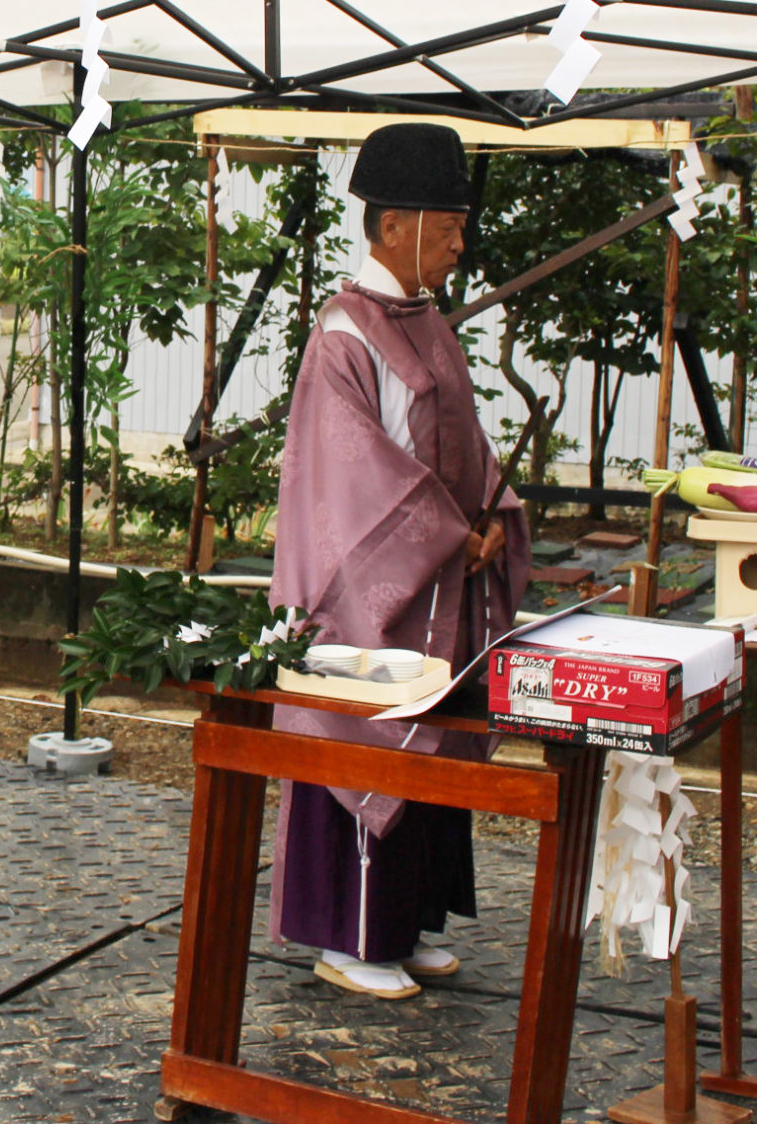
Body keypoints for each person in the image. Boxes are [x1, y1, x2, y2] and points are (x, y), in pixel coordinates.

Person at [267, 121, 532, 1001]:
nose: (462, 239)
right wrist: (455, 531)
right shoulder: (346, 331)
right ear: (393, 226)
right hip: (367, 597)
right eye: (448, 222)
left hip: (438, 581)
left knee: (426, 749)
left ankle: (405, 923)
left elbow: (467, 444)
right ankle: (345, 937)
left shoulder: (425, 322)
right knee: (367, 744)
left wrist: (490, 514)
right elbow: (353, 473)